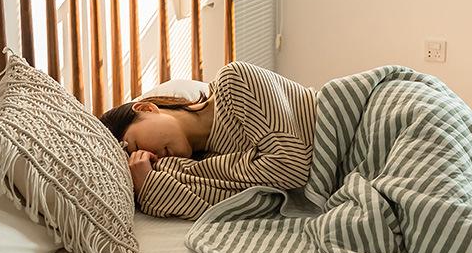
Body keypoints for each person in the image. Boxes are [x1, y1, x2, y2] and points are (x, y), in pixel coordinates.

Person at [100, 61, 317, 219]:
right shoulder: (193, 165)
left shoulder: (235, 83)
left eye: (137, 146)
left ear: (146, 108)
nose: (151, 156)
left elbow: (292, 166)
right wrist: (149, 183)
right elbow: (249, 204)